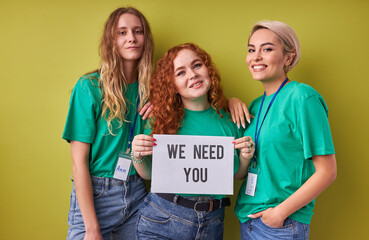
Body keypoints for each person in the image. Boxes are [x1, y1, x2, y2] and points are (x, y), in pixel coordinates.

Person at [130, 43, 255, 240]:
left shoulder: (231, 120)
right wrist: (136, 154)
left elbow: (237, 175)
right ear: (172, 85)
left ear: (208, 70)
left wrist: (246, 158)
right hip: (163, 218)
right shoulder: (159, 120)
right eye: (180, 73)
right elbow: (149, 174)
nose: (192, 75)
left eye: (197, 65)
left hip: (212, 222)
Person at [234, 20, 337, 240]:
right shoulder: (253, 106)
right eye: (251, 50)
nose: (256, 57)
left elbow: (327, 171)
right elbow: (242, 172)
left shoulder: (302, 97)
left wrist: (279, 214)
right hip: (249, 219)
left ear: (288, 57)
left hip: (281, 224)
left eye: (267, 49)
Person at [62, 7, 154, 240]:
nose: (131, 37)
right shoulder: (89, 87)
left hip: (137, 192)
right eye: (122, 32)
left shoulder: (152, 90)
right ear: (111, 41)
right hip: (97, 194)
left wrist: (231, 102)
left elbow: (196, 101)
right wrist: (91, 228)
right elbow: (78, 162)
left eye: (138, 31)